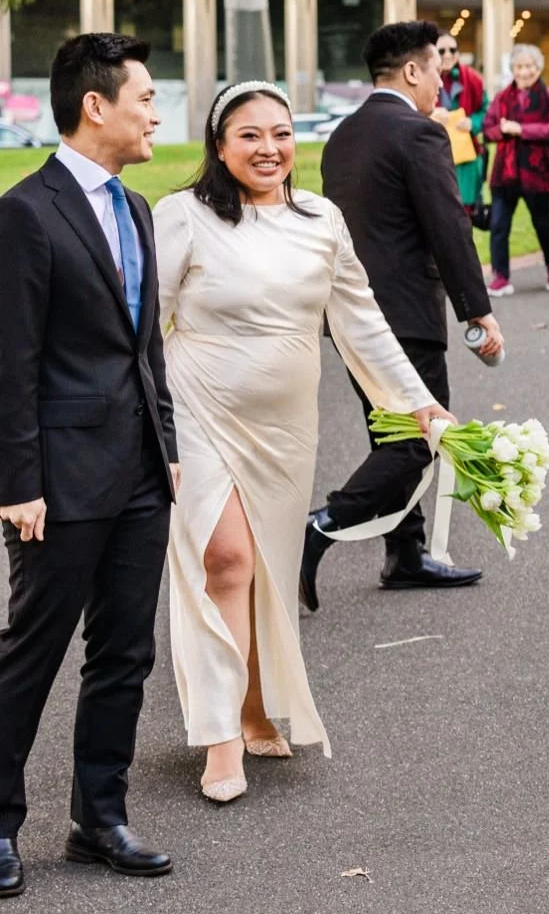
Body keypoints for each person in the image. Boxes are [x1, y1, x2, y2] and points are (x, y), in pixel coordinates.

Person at [156, 82, 453, 803]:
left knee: (266, 570)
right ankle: (222, 736)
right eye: (250, 135)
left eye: (281, 134)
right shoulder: (182, 216)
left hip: (285, 427)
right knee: (224, 559)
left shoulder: (321, 219)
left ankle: (257, 703)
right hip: (197, 411)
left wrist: (420, 404)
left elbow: (362, 320)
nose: (269, 149)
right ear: (219, 145)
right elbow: (143, 326)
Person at [0, 33, 177, 893]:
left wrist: (168, 452)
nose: (156, 111)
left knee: (125, 655)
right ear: (95, 105)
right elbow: (11, 360)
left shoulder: (136, 208)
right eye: (145, 96)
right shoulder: (25, 211)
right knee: (30, 653)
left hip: (141, 471)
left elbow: (147, 351)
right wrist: (18, 483)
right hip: (58, 482)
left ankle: (98, 819)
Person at [301, 20, 502, 611]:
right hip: (406, 314)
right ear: (412, 71)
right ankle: (323, 524)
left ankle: (405, 553)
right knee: (420, 439)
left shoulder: (344, 135)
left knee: (389, 432)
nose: (442, 82)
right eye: (437, 68)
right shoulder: (419, 133)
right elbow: (448, 226)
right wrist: (478, 311)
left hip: (352, 316)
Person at [483, 44, 549, 294]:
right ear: (513, 70)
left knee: (543, 224)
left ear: (538, 68)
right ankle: (500, 277)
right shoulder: (501, 97)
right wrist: (502, 130)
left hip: (535, 172)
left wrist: (522, 130)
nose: (525, 71)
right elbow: (488, 129)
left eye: (529, 66)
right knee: (498, 225)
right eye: (519, 66)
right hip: (504, 173)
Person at [435, 35, 487, 218]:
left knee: (464, 213)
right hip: (435, 154)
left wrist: (473, 122)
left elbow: (486, 111)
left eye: (453, 50)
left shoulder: (473, 79)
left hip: (465, 156)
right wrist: (431, 116)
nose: (447, 55)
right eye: (442, 50)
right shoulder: (423, 78)